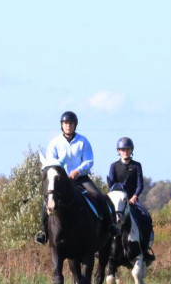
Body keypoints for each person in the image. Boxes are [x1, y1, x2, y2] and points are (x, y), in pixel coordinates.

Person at [35, 111, 113, 244]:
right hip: (61, 181)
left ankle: (110, 227)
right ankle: (43, 232)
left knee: (99, 197)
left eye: (71, 123)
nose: (68, 126)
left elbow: (89, 161)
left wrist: (77, 171)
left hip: (81, 178)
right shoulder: (55, 143)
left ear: (75, 125)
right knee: (47, 201)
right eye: (66, 123)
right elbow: (51, 162)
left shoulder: (83, 141)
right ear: (62, 125)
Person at [106, 136, 154, 262]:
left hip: (132, 198)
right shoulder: (113, 166)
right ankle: (103, 247)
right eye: (122, 149)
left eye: (127, 149)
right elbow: (111, 185)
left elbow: (140, 185)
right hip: (118, 200)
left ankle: (145, 248)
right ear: (118, 151)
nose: (125, 152)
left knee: (146, 216)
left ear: (131, 150)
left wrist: (134, 197)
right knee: (104, 217)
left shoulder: (137, 166)